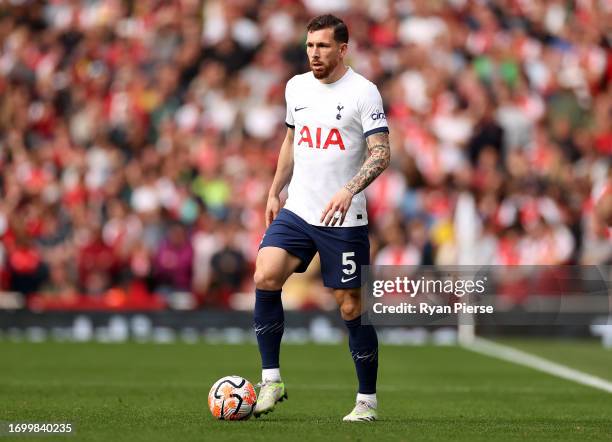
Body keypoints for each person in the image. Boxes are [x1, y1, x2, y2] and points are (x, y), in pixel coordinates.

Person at [252, 14, 390, 422]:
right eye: (310, 45)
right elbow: (292, 139)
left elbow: (381, 153)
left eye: (323, 46)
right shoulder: (296, 87)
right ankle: (271, 379)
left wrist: (349, 190)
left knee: (351, 307)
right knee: (265, 274)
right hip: (298, 209)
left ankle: (367, 400)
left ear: (343, 49)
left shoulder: (364, 92)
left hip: (343, 220)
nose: (314, 53)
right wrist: (275, 189)